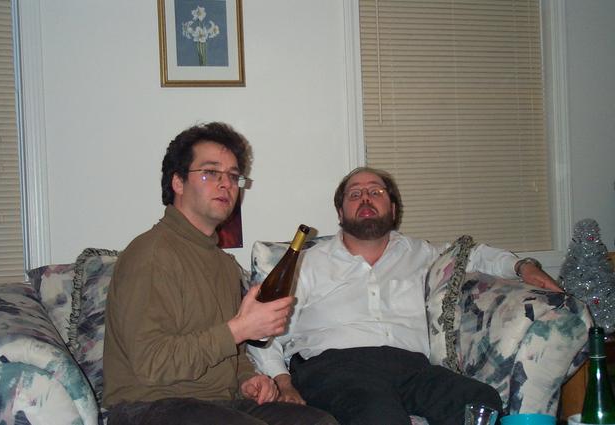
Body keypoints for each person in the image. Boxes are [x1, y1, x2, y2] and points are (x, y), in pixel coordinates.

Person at [247, 166, 561, 425]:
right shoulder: (306, 263)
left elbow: (475, 255)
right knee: (379, 415)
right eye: (354, 194)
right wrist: (283, 382)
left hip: (411, 369)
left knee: (480, 402)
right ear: (340, 212)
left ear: (393, 209)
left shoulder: (421, 253)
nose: (365, 197)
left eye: (376, 192)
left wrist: (522, 266)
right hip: (334, 368)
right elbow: (263, 330)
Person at [102, 122, 337, 425]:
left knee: (319, 422)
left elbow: (230, 353)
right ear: (177, 182)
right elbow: (152, 362)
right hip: (148, 406)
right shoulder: (152, 254)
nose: (226, 184)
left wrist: (248, 379)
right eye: (211, 172)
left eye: (233, 176)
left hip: (217, 404)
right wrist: (239, 329)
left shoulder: (224, 265)